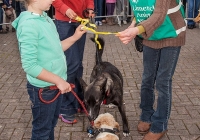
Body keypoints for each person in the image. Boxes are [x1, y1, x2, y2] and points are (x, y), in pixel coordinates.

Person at [11, 0, 86, 139]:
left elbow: (56, 49)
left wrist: (75, 37)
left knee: (50, 126)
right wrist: (59, 80)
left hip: (54, 87)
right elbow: (30, 66)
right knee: (42, 132)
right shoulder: (29, 25)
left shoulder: (45, 18)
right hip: (43, 91)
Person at [116, 0, 186, 139]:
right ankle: (146, 115)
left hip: (171, 34)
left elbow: (159, 14)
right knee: (147, 78)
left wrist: (136, 31)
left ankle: (160, 125)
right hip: (151, 35)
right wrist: (133, 25)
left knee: (162, 82)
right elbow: (141, 11)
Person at [52, 0, 94, 124]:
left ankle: (78, 100)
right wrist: (64, 8)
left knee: (78, 64)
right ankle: (65, 107)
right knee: (71, 63)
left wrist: (90, 7)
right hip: (65, 22)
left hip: (81, 20)